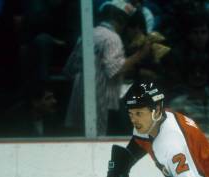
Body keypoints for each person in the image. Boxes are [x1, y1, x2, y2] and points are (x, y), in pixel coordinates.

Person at [63, 0, 150, 135]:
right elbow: (114, 70)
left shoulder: (88, 34)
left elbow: (69, 69)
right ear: (121, 20)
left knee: (79, 139)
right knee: (97, 141)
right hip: (99, 100)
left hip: (78, 97)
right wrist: (140, 55)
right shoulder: (112, 38)